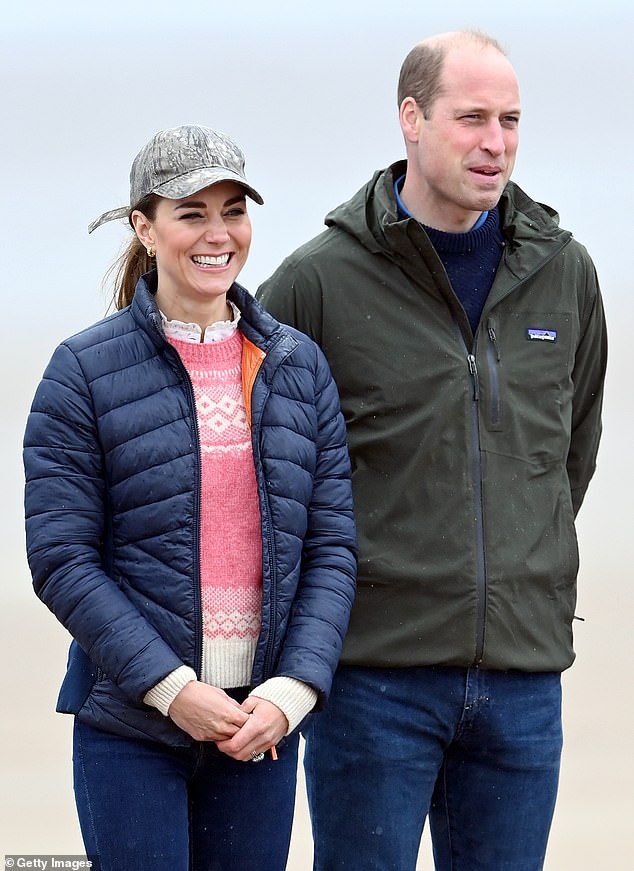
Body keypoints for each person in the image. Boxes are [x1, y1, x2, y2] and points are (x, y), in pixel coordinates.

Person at [257, 29, 607, 871]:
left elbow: (572, 453)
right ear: (411, 119)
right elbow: (266, 476)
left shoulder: (564, 272)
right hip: (374, 678)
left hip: (524, 679)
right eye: (473, 117)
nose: (497, 142)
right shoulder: (317, 282)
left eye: (512, 120)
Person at [23, 124, 357, 871]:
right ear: (144, 227)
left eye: (233, 210)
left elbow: (332, 547)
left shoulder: (298, 366)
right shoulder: (81, 370)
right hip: (132, 728)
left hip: (258, 729)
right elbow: (61, 557)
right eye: (191, 212)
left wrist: (293, 691)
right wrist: (172, 689)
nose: (218, 233)